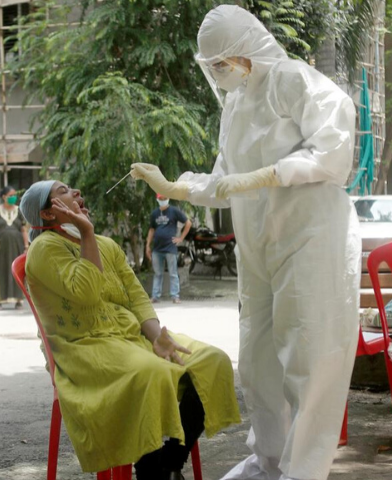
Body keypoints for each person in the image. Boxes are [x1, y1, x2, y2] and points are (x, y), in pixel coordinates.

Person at [130, 6, 360, 480]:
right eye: (212, 64)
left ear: (248, 50)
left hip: (311, 237)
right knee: (257, 358)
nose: (219, 72)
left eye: (223, 62)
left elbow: (334, 148)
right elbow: (223, 179)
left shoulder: (294, 80)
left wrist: (275, 173)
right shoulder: (234, 105)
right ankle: (269, 461)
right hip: (260, 243)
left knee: (310, 358)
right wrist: (176, 187)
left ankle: (303, 471)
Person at [19, 180, 240, 480]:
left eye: (73, 188)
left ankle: (168, 463)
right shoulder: (44, 248)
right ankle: (155, 469)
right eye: (63, 192)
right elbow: (85, 292)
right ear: (47, 214)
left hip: (131, 336)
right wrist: (85, 231)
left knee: (212, 362)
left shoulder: (106, 245)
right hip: (86, 348)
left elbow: (137, 297)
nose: (77, 193)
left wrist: (156, 337)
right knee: (152, 373)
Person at [0, 185, 29, 310]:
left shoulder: (19, 210)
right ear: (4, 197)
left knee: (17, 271)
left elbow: (24, 230)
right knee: (0, 271)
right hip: (0, 247)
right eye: (10, 195)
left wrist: (26, 246)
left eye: (14, 195)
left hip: (17, 246)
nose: (13, 198)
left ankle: (18, 300)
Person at [146, 193, 191, 304]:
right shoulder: (154, 213)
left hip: (170, 247)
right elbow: (151, 230)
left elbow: (188, 222)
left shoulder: (174, 211)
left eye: (165, 198)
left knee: (173, 273)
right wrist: (147, 245)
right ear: (157, 199)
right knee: (157, 273)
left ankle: (175, 296)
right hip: (157, 248)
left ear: (168, 198)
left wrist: (181, 238)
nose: (163, 200)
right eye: (161, 198)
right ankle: (155, 296)